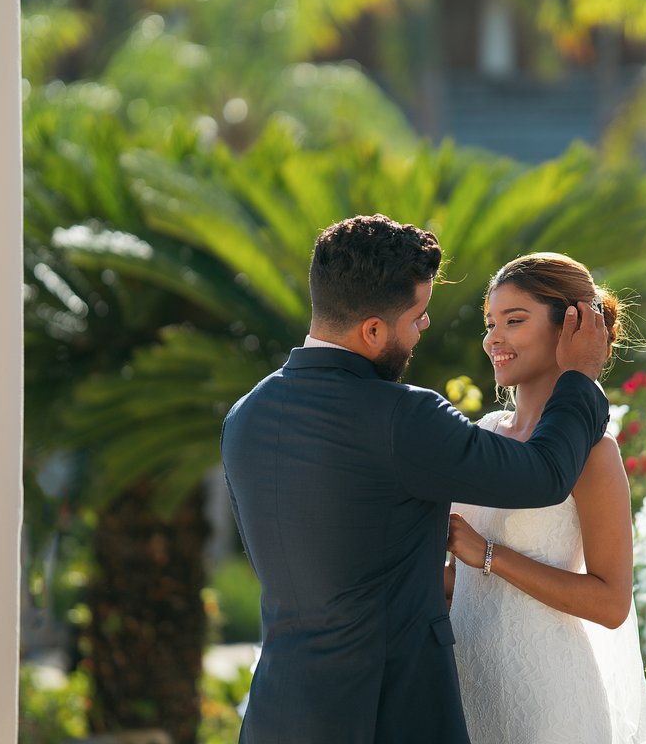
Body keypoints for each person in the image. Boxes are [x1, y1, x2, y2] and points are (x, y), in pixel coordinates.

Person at [219, 215, 612, 744]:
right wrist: (580, 378)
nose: (424, 328)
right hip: (392, 712)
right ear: (374, 330)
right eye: (418, 315)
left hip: (279, 713)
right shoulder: (401, 417)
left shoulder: (246, 415)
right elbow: (542, 476)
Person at [446, 253, 646, 744]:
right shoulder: (483, 434)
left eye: (514, 321)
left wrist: (489, 555)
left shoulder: (594, 452)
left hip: (547, 697)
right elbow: (459, 582)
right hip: (464, 686)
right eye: (490, 323)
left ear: (572, 325)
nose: (492, 339)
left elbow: (611, 602)